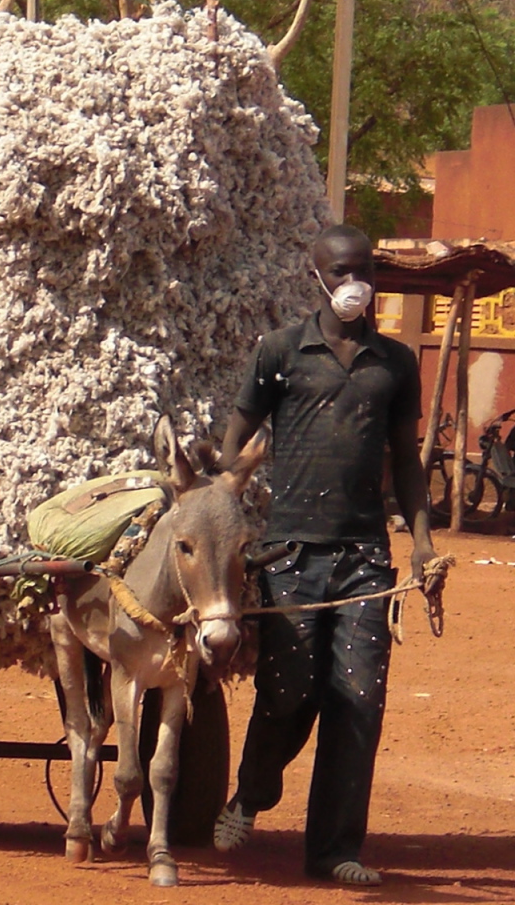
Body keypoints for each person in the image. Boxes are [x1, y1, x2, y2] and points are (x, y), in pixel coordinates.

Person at [213, 223, 437, 887]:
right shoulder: (281, 352)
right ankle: (251, 793)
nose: (354, 282)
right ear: (317, 276)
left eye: (363, 269)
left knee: (358, 700)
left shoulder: (395, 363)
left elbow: (407, 462)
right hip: (289, 555)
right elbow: (234, 445)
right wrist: (224, 510)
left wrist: (422, 543)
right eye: (340, 271)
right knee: (288, 694)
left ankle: (335, 849)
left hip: (365, 557)